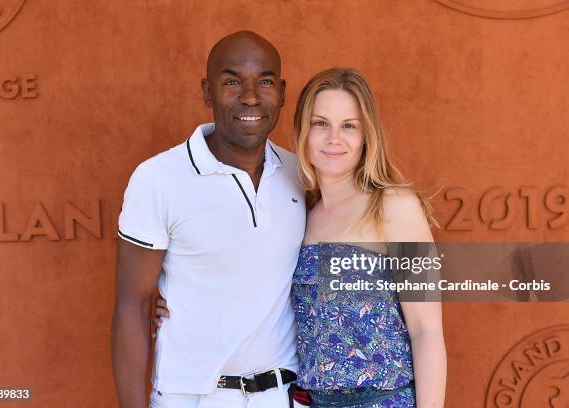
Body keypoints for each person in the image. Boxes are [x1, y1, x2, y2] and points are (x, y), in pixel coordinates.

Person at [156, 68, 447, 407]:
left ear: (367, 134)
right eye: (320, 123)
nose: (333, 138)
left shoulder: (395, 206)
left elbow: (427, 331)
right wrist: (178, 298)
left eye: (349, 126)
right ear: (303, 131)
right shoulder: (299, 210)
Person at [112, 30, 305, 408]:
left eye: (264, 82)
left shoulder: (302, 174)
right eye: (232, 82)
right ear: (207, 92)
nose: (250, 97)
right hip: (193, 397)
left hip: (284, 397)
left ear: (282, 92)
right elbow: (132, 306)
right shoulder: (158, 178)